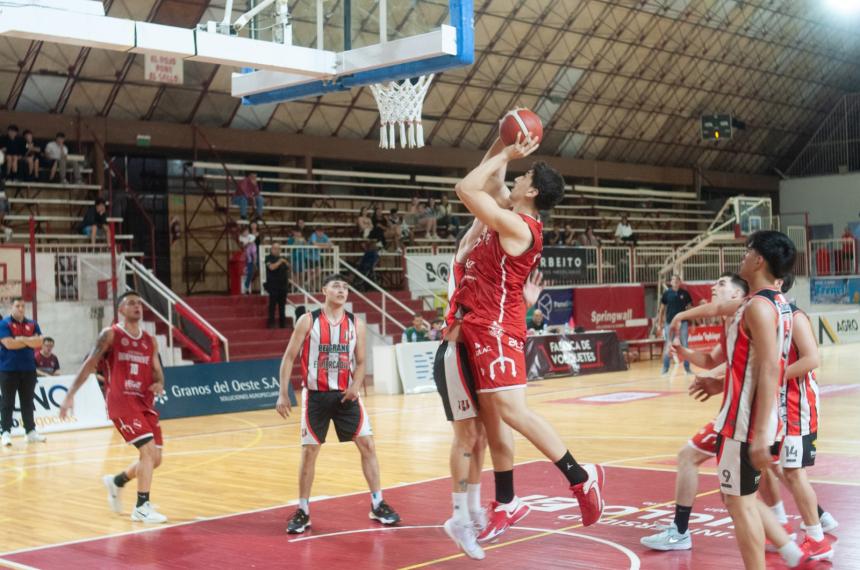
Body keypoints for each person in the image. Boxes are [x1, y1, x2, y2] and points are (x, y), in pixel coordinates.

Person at [452, 133, 605, 532]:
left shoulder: (520, 226)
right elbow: (490, 178)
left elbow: (466, 187)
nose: (515, 178)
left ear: (532, 190)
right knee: (495, 419)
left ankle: (579, 475)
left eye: (524, 176)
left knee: (512, 412)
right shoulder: (508, 207)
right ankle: (507, 501)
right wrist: (502, 137)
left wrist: (504, 152)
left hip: (498, 327)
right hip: (479, 325)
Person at [707, 231, 807, 569]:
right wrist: (716, 383)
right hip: (749, 417)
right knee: (736, 496)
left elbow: (767, 369)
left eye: (748, 251)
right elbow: (753, 366)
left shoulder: (760, 308)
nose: (744, 256)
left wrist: (762, 433)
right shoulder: (776, 303)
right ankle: (788, 549)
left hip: (744, 422)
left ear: (759, 260)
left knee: (739, 504)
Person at [276, 274, 400, 534]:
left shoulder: (357, 324)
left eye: (345, 287)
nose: (342, 290)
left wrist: (356, 385)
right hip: (316, 395)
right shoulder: (307, 320)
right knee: (309, 452)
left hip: (346, 395)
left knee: (367, 444)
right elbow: (288, 358)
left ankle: (377, 503)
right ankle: (303, 510)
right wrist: (283, 393)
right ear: (324, 291)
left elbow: (362, 361)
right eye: (336, 286)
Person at [640, 272, 748, 551]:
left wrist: (679, 317)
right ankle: (807, 526)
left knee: (740, 491)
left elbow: (749, 364)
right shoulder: (730, 324)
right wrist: (685, 352)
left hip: (747, 413)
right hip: (741, 411)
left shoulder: (745, 311)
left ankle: (796, 536)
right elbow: (714, 359)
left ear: (737, 295)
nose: (713, 287)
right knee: (755, 483)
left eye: (722, 284)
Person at [60, 291, 168, 523]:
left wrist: (159, 383)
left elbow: (158, 371)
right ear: (120, 310)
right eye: (131, 303)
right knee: (147, 451)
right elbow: (90, 364)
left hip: (144, 402)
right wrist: (70, 395)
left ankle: (117, 481)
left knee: (155, 458)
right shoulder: (111, 335)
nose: (137, 306)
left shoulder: (151, 341)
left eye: (139, 303)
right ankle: (141, 507)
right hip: (121, 401)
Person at [0, 298, 45, 446]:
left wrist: (21, 339)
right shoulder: (4, 324)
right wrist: (29, 340)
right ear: (11, 307)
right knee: (8, 402)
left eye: (23, 306)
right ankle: (5, 432)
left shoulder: (33, 323)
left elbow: (39, 342)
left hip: (28, 369)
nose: (20, 308)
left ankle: (30, 432)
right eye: (17, 306)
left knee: (27, 402)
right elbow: (9, 344)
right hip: (8, 370)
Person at [657, 274, 693, 375]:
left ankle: (687, 369)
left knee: (685, 345)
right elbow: (662, 310)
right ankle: (665, 368)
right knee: (668, 344)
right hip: (669, 323)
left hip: (683, 323)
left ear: (680, 282)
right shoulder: (667, 294)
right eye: (673, 280)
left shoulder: (685, 293)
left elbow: (690, 309)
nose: (675, 281)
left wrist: (693, 322)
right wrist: (660, 324)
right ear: (671, 282)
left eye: (677, 280)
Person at [265, 243, 289, 329]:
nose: (277, 250)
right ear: (271, 249)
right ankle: (271, 323)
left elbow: (288, 266)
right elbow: (271, 267)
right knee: (272, 306)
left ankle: (282, 324)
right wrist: (280, 262)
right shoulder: (268, 258)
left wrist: (284, 262)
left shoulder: (283, 259)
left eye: (278, 249)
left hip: (283, 286)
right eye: (275, 248)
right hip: (273, 286)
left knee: (282, 306)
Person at [238, 226, 257, 295]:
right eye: (245, 231)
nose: (246, 233)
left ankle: (247, 286)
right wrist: (249, 243)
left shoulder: (251, 236)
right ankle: (246, 287)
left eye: (247, 231)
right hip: (246, 257)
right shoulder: (241, 238)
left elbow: (253, 247)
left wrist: (255, 258)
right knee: (248, 273)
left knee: (251, 273)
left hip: (252, 256)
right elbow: (243, 246)